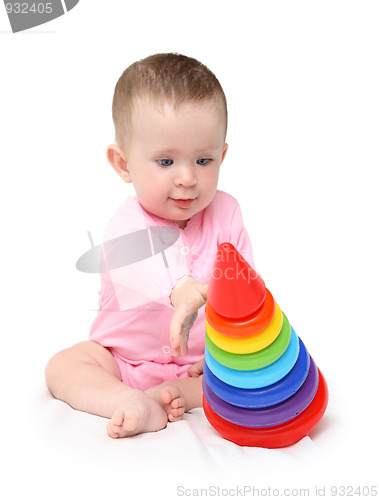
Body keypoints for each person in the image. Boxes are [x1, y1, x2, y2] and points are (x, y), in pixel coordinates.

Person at [45, 53, 254, 438]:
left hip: (199, 365)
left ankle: (181, 392)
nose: (188, 178)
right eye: (165, 162)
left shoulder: (227, 213)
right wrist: (183, 289)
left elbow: (243, 288)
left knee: (239, 380)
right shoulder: (127, 223)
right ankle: (127, 399)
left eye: (204, 160)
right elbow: (147, 260)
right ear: (123, 163)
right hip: (122, 361)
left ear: (223, 155)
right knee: (64, 364)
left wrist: (229, 354)